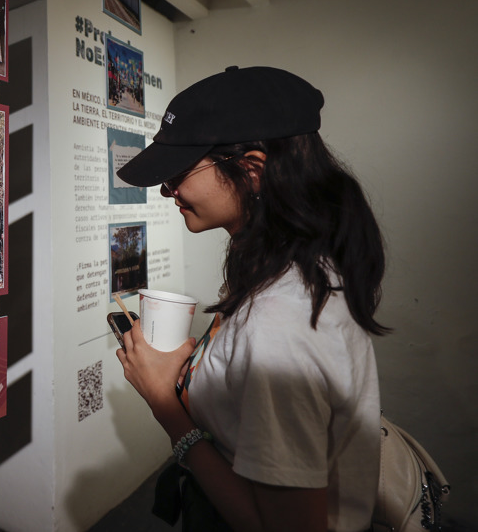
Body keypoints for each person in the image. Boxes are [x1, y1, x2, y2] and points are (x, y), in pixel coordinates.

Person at [113, 66, 385, 532]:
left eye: (179, 172)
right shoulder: (286, 267)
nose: (166, 189)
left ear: (252, 169)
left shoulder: (281, 319)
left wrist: (165, 406)